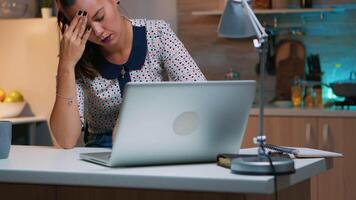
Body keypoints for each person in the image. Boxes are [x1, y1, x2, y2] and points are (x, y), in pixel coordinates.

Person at [50, 0, 206, 149]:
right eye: (86, 28)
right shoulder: (75, 55)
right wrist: (66, 65)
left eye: (100, 17)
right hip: (102, 147)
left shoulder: (158, 34)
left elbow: (201, 98)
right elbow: (66, 140)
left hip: (158, 140)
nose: (98, 31)